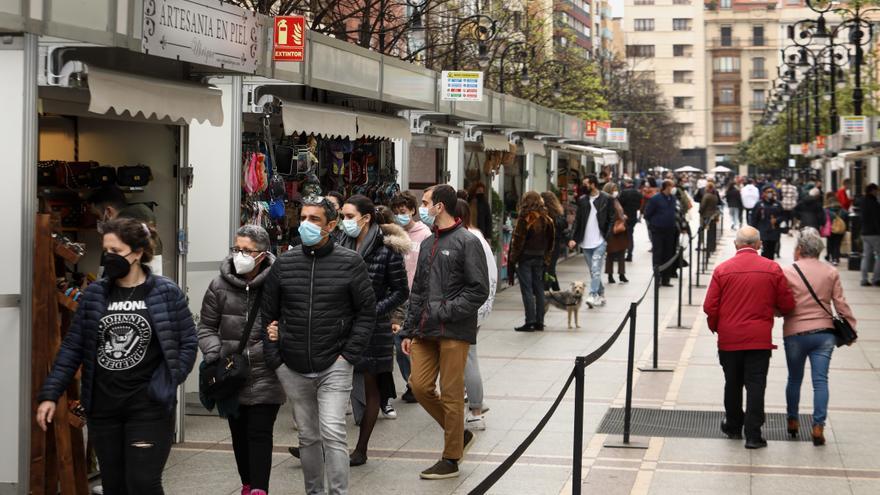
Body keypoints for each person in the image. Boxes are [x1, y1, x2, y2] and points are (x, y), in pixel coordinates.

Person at [36, 218, 198, 494]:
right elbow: (73, 347)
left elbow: (187, 342)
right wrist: (50, 394)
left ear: (137, 253)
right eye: (105, 251)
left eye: (115, 251)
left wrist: (167, 382)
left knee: (143, 483)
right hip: (104, 407)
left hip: (148, 407)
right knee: (114, 486)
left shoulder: (165, 292)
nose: (108, 258)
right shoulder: (95, 294)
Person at [261, 195, 377, 495]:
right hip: (293, 364)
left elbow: (366, 311)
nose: (306, 225)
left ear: (331, 225)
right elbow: (267, 313)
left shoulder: (350, 262)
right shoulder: (284, 263)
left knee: (333, 433)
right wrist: (277, 359)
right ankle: (314, 492)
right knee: (308, 436)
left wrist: (347, 355)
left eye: (314, 220)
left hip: (334, 364)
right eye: (303, 218)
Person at [400, 184, 489, 480]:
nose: (421, 207)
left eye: (425, 202)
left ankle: (451, 457)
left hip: (454, 330)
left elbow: (478, 290)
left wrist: (444, 310)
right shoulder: (427, 243)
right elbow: (418, 291)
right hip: (425, 331)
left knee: (452, 396)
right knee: (420, 386)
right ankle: (458, 433)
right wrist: (409, 330)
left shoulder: (467, 241)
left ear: (440, 206)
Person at [198, 225, 284, 495]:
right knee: (239, 434)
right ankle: (247, 482)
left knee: (259, 433)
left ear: (263, 254)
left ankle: (259, 489)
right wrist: (215, 353)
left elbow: (292, 321)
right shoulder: (218, 285)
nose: (240, 255)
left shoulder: (278, 284)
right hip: (231, 373)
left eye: (247, 250)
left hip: (266, 371)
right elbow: (206, 327)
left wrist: (274, 343)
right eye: (237, 249)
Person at [703, 226, 795, 449]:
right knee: (756, 385)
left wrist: (718, 328)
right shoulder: (772, 269)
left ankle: (733, 426)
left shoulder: (722, 270)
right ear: (759, 244)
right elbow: (787, 304)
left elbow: (709, 306)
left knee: (732, 383)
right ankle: (753, 434)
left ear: (736, 245)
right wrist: (774, 310)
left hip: (729, 339)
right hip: (759, 339)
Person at [338, 195, 409, 466]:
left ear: (365, 218)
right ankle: (321, 445)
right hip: (341, 325)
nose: (344, 222)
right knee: (329, 385)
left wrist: (373, 311)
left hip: (373, 329)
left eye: (348, 216)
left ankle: (361, 449)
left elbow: (401, 291)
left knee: (370, 388)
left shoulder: (387, 250)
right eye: (342, 216)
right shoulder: (339, 245)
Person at [781, 228, 857, 446]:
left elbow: (782, 303)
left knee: (794, 379)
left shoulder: (788, 271)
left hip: (795, 332)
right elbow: (840, 304)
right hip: (824, 334)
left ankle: (793, 421)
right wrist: (850, 327)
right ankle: (817, 426)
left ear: (801, 249)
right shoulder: (830, 272)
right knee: (820, 381)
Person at [455, 199, 498, 431]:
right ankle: (472, 402)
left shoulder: (468, 240)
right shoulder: (477, 236)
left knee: (469, 357)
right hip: (477, 307)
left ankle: (476, 409)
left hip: (469, 309)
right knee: (467, 356)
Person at [88, 185, 164, 275]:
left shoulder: (120, 237)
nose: (99, 220)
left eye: (98, 216)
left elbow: (107, 279)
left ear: (108, 212)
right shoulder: (144, 229)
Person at [509, 191, 555, 331]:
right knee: (539, 289)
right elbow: (550, 241)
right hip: (540, 258)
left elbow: (518, 241)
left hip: (526, 258)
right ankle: (540, 321)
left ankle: (530, 321)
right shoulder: (547, 219)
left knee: (527, 290)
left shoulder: (525, 219)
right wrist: (546, 258)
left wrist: (513, 259)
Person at [567, 174, 616, 307]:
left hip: (600, 241)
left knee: (595, 269)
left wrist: (606, 238)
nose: (584, 186)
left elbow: (612, 218)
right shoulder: (582, 200)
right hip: (586, 242)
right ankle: (601, 294)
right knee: (593, 271)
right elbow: (578, 221)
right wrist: (573, 238)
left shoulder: (607, 199)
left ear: (593, 184)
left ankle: (593, 295)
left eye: (586, 184)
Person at [644, 180, 678, 287]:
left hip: (670, 230)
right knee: (658, 254)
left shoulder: (672, 198)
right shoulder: (655, 199)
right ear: (666, 187)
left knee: (668, 254)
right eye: (672, 186)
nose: (673, 188)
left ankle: (666, 279)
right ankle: (657, 278)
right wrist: (654, 223)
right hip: (658, 230)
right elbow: (647, 213)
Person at [603, 183, 629, 284]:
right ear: (609, 190)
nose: (616, 191)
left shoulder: (616, 200)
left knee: (622, 252)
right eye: (614, 189)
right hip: (612, 230)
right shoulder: (606, 201)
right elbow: (607, 216)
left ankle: (621, 274)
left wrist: (623, 217)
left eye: (616, 189)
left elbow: (619, 212)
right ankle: (610, 275)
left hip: (620, 230)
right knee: (611, 253)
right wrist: (619, 218)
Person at [541, 191, 568, 291]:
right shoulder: (558, 212)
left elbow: (562, 225)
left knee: (549, 268)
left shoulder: (552, 214)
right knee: (550, 267)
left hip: (551, 244)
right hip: (554, 244)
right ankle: (556, 289)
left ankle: (546, 289)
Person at [752, 186, 784, 260]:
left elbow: (783, 216)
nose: (770, 193)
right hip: (763, 232)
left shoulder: (777, 204)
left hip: (774, 232)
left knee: (772, 252)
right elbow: (754, 218)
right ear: (764, 193)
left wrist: (777, 220)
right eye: (768, 192)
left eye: (772, 192)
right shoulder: (759, 204)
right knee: (764, 251)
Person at [860, 183, 880, 287]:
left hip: (864, 232)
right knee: (879, 256)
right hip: (874, 233)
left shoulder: (862, 201)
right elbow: (876, 219)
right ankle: (876, 278)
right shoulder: (874, 203)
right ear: (872, 191)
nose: (877, 193)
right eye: (876, 191)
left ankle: (864, 279)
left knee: (866, 256)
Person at [618, 179, 642, 262]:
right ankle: (630, 254)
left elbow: (619, 204)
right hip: (633, 217)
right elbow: (639, 206)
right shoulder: (638, 193)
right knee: (630, 235)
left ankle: (621, 254)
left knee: (622, 236)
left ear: (627, 184)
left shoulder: (624, 193)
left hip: (624, 216)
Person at [824, 192, 847, 265]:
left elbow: (823, 218)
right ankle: (836, 258)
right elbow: (846, 215)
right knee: (837, 244)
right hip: (840, 229)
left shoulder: (826, 210)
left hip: (830, 229)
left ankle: (829, 255)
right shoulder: (841, 209)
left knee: (830, 242)